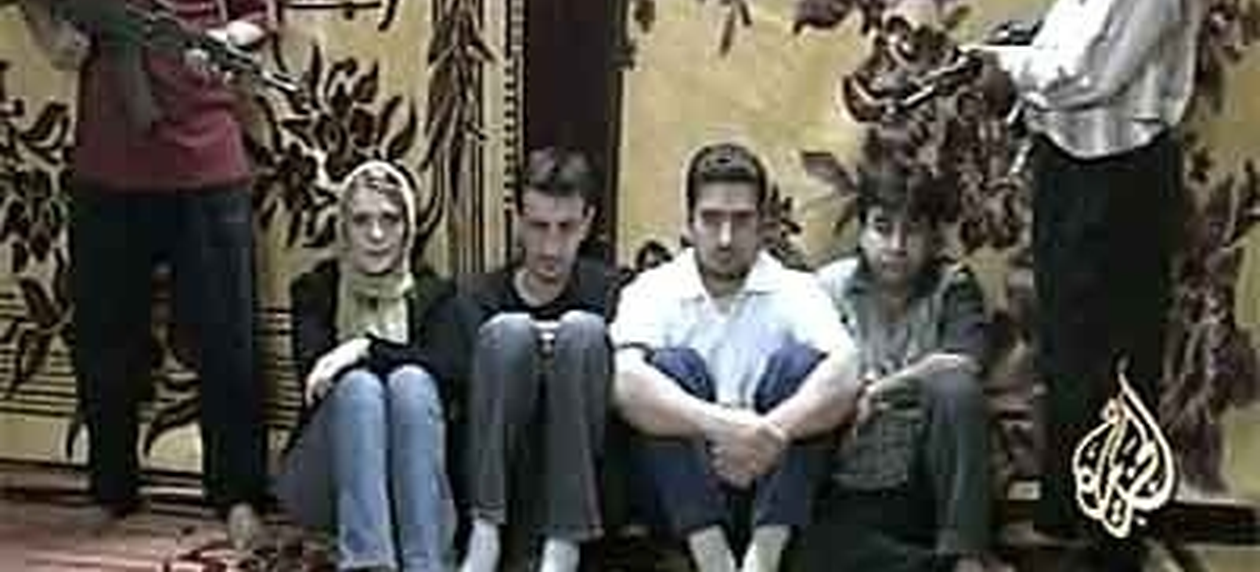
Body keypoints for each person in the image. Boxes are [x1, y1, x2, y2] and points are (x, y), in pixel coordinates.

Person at [16, 0, 277, 547]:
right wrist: (54, 36)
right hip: (107, 165)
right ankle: (110, 490)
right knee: (104, 338)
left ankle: (238, 496)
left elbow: (258, 14)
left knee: (227, 342)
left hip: (209, 161)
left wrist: (222, 42)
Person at [972, 0, 1203, 568]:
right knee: (1072, 358)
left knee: (1116, 367)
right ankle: (1075, 526)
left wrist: (1007, 65)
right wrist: (1028, 43)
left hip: (1118, 182)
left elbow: (1088, 71)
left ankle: (1113, 548)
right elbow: (1074, 44)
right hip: (1077, 171)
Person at [610, 142, 861, 572]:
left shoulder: (797, 289)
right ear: (689, 222)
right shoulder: (652, 289)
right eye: (711, 219)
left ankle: (764, 558)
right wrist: (721, 426)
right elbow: (624, 383)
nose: (725, 238)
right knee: (670, 367)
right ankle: (714, 561)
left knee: (803, 365)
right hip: (677, 491)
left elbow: (846, 371)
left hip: (774, 485)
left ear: (763, 223)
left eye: (741, 220)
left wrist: (771, 432)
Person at [797, 158, 1006, 572]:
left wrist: (875, 391)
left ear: (932, 238)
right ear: (861, 230)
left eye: (912, 231)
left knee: (955, 390)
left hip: (923, 481)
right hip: (845, 482)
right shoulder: (828, 288)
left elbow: (962, 365)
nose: (895, 245)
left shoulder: (953, 285)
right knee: (809, 552)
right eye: (882, 227)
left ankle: (964, 552)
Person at [277, 160, 469, 571]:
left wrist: (365, 348)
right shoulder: (315, 289)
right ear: (343, 227)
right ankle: (369, 563)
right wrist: (366, 358)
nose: (376, 235)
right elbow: (315, 379)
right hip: (323, 484)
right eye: (361, 220)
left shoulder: (436, 295)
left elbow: (456, 373)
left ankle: (425, 563)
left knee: (412, 382)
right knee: (358, 389)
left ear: (409, 227)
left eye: (390, 219)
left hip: (417, 493)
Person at [457, 148, 619, 572]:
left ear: (587, 223)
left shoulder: (610, 292)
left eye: (566, 227)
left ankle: (563, 544)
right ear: (517, 221)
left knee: (583, 331)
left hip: (589, 484)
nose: (550, 246)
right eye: (538, 226)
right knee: (507, 332)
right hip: (506, 474)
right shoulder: (480, 295)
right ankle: (484, 533)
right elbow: (453, 383)